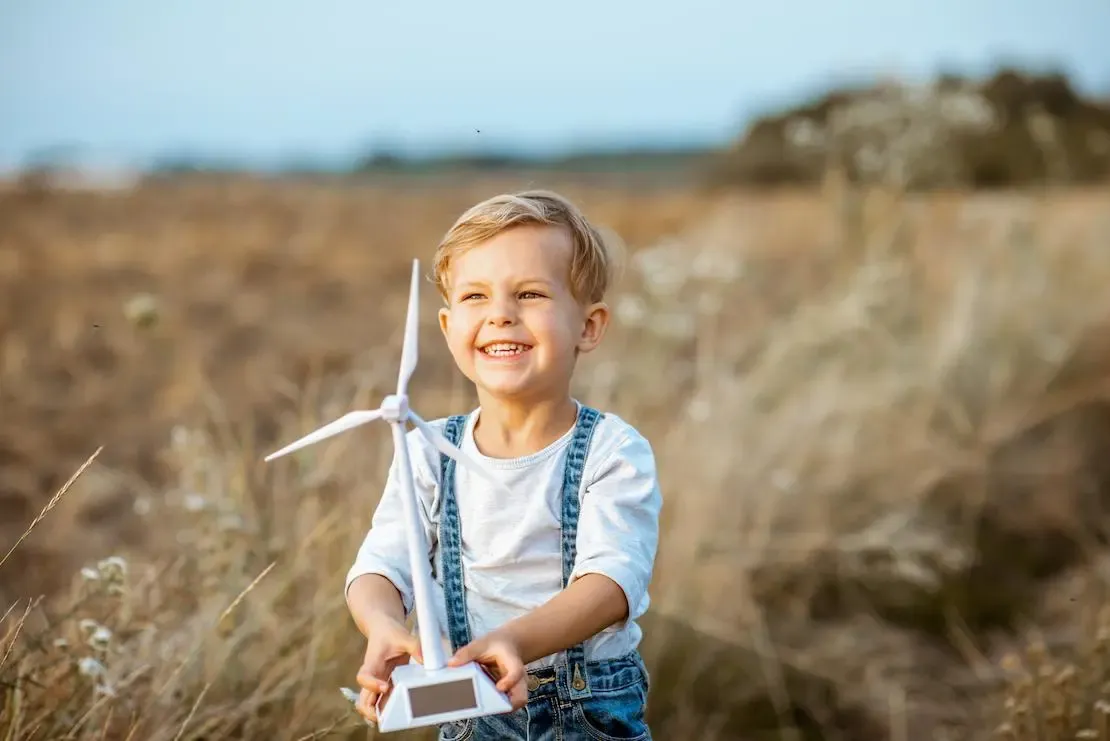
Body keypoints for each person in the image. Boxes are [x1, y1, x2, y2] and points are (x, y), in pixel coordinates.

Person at [344, 189, 663, 740]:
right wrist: (384, 626)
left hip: (585, 710)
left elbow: (612, 581)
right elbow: (381, 565)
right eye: (475, 296)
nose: (500, 315)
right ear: (447, 328)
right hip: (469, 710)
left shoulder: (612, 450)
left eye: (530, 293)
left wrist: (517, 640)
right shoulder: (424, 448)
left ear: (589, 326)